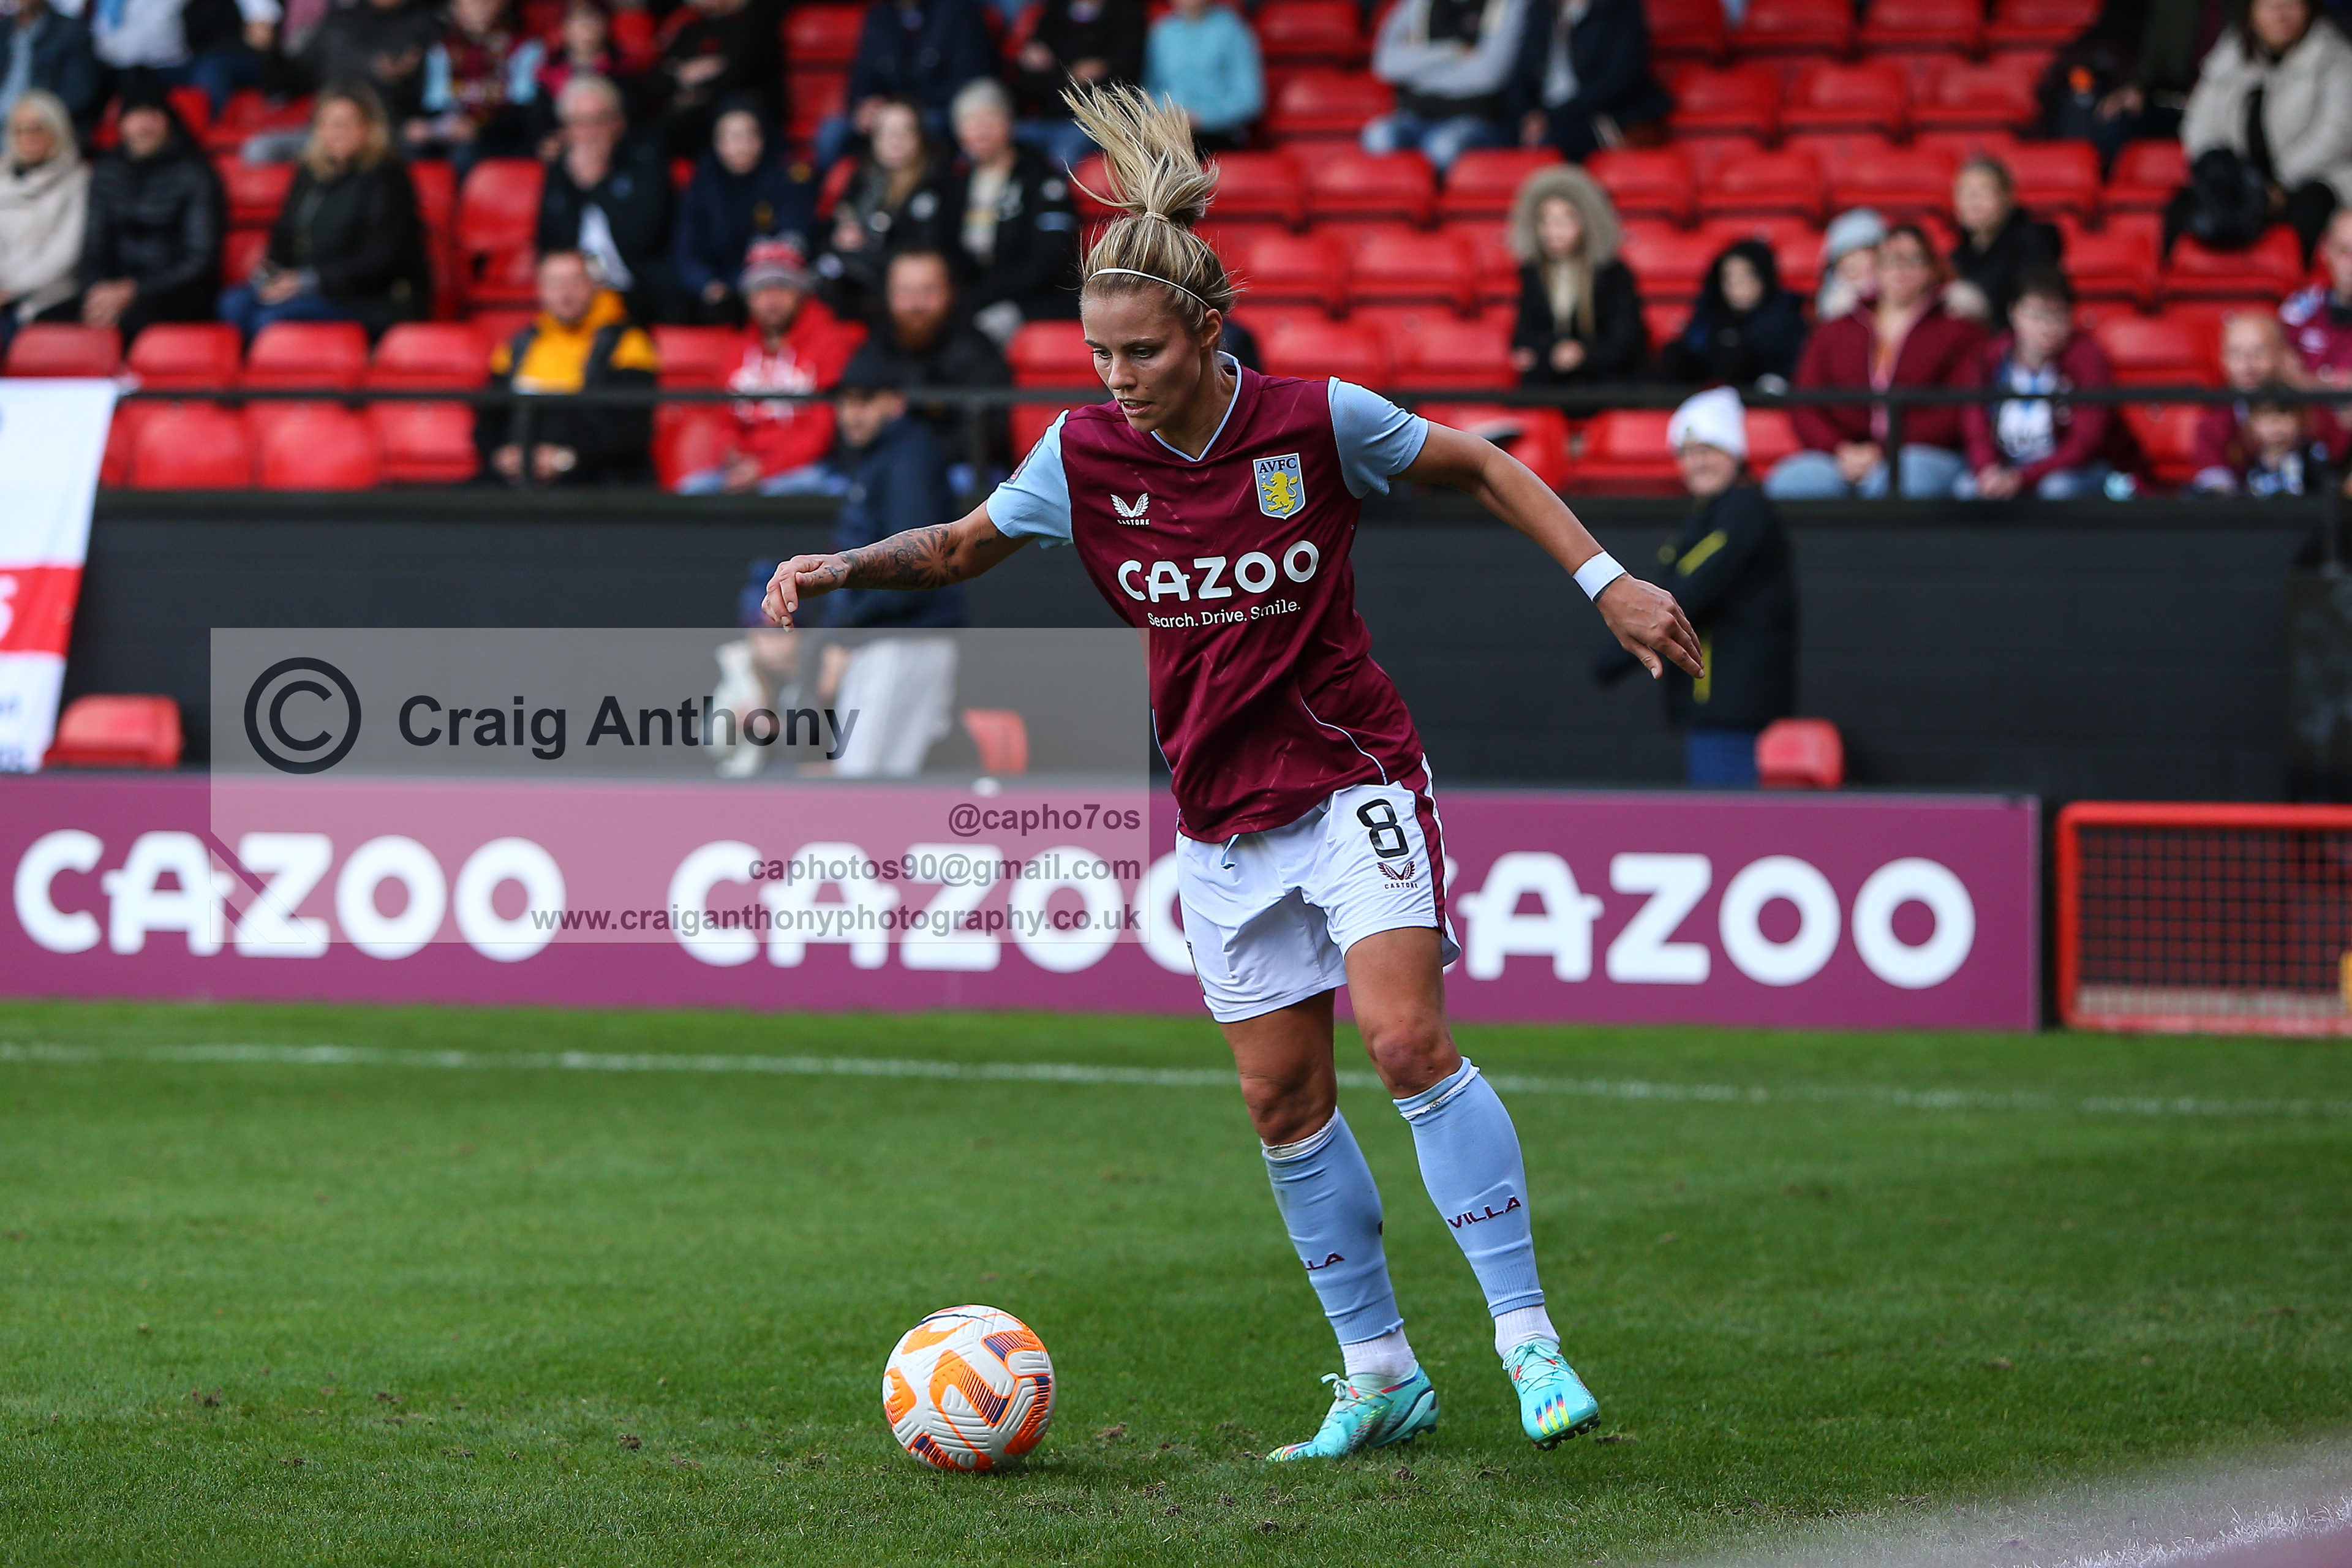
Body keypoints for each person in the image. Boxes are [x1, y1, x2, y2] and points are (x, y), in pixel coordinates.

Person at [760, 83, 1702, 1461]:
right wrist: (839, 565)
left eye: (1141, 351)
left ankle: (1528, 1341)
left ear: (1208, 332)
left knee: (1405, 1043)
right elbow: (960, 547)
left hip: (1351, 776)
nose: (1117, 376)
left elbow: (1483, 466)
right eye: (1099, 352)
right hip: (1216, 817)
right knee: (1282, 1102)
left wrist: (1605, 579)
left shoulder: (1318, 421)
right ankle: (1380, 1374)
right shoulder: (1081, 456)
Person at [1624, 387, 1795, 788]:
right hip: (1714, 705)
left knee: (1728, 817)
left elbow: (1693, 588)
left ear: (1735, 453)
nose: (1696, 462)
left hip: (1732, 707)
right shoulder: (1712, 514)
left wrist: (1620, 644)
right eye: (1686, 453)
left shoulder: (1744, 511)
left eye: (1708, 449)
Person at [1766, 224, 1986, 499]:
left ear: (1933, 268)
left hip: (1926, 452)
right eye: (1891, 260)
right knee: (1790, 482)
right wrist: (1840, 450)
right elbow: (1805, 402)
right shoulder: (1835, 329)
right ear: (1876, 268)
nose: (1901, 270)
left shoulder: (1961, 330)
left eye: (1914, 259)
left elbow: (1958, 409)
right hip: (1843, 455)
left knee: (1898, 480)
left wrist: (1883, 450)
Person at [219, 83, 429, 339]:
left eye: (343, 124)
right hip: (310, 288)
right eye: (325, 124)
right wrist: (272, 272)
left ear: (368, 128)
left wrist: (307, 282)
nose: (334, 133)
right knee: (233, 304)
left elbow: (380, 260)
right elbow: (285, 233)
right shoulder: (311, 173)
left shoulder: (387, 178)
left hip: (369, 299)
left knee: (271, 320)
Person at [674, 238, 865, 494]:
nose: (772, 299)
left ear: (801, 292)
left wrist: (765, 470)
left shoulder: (829, 342)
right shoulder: (739, 347)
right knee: (691, 490)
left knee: (778, 494)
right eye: (762, 288)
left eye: (783, 286)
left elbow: (823, 431)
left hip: (809, 467)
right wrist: (731, 454)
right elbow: (725, 420)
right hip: (747, 467)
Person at [2171, 0, 2352, 262]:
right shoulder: (2230, 52)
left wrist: (2279, 182)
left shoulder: (2336, 55)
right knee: (2185, 207)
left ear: (2309, 8)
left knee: (2311, 209)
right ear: (2251, 11)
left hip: (2309, 177)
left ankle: (2298, 286)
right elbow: (2199, 124)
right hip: (2242, 179)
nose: (2280, 13)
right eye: (2269, 5)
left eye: (2291, 4)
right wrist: (2223, 171)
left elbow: (2337, 134)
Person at [478, 247, 658, 484]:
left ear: (594, 285)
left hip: (598, 480)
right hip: (520, 479)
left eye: (575, 282)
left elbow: (631, 430)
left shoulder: (629, 344)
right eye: (554, 283)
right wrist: (500, 455)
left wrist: (566, 459)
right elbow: (487, 422)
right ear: (540, 289)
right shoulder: (515, 347)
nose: (565, 294)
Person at [62, 79, 220, 342]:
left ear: (169, 121)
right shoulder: (106, 171)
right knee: (46, 324)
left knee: (125, 326)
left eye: (153, 115)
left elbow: (199, 260)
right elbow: (93, 247)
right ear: (122, 123)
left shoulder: (196, 174)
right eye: (136, 116)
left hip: (176, 296)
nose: (145, 126)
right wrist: (99, 291)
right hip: (110, 291)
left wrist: (133, 290)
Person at [1958, 267, 2130, 499]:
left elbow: (2085, 443)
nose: (2047, 327)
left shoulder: (2087, 359)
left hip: (2076, 469)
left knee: (2057, 489)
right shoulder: (1988, 358)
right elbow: (1974, 423)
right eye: (2037, 316)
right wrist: (1987, 468)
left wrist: (2023, 477)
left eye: (2058, 316)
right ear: (2014, 313)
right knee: (1967, 488)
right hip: (2006, 466)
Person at [940, 78, 1079, 348]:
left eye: (990, 119)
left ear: (1009, 123)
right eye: (970, 122)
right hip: (970, 296)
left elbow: (1049, 261)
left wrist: (980, 295)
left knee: (978, 333)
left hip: (1029, 299)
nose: (981, 130)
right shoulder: (951, 182)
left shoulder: (1041, 178)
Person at [535, 73, 672, 323]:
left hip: (638, 291)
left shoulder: (644, 161)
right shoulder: (560, 170)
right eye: (578, 123)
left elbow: (644, 240)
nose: (589, 133)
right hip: (579, 293)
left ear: (618, 122)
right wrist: (578, 186)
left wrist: (599, 185)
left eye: (598, 121)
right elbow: (552, 242)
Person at [863, 244, 1009, 470]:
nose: (916, 304)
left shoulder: (977, 353)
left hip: (960, 472)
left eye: (928, 290)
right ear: (888, 295)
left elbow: (986, 439)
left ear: (951, 292)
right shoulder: (875, 349)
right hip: (884, 467)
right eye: (905, 291)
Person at [672, 103, 817, 324]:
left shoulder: (787, 178)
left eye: (750, 135)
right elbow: (686, 250)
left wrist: (740, 284)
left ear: (763, 138)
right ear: (717, 143)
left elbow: (790, 242)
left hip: (769, 284)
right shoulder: (702, 186)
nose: (741, 145)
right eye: (732, 137)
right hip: (717, 288)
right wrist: (707, 284)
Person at [2038, 0, 2224, 165]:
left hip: (2223, 103)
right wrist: (2136, 85)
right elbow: (2138, 47)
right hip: (2165, 98)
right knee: (2108, 119)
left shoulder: (2237, 10)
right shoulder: (2166, 7)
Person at [812, 96, 946, 323]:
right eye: (885, 132)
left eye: (904, 131)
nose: (895, 140)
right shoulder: (863, 178)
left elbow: (923, 251)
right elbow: (826, 232)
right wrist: (840, 236)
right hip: (856, 277)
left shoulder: (936, 184)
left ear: (920, 137)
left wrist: (860, 252)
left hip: (902, 288)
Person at [1507, 164, 1642, 387]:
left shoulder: (1612, 273)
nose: (1554, 231)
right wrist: (1550, 352)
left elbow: (1625, 339)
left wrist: (1583, 354)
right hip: (1551, 382)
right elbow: (1523, 337)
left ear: (1586, 222)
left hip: (1604, 382)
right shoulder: (1533, 273)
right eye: (1545, 221)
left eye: (1564, 221)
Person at [1362, 0, 1532, 175]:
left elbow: (1489, 75)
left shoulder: (1506, 4)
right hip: (1416, 115)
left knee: (1443, 146)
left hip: (1477, 118)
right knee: (1379, 136)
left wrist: (1418, 70)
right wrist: (1454, 52)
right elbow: (1385, 65)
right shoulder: (1419, 4)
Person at [824, 0, 996, 170]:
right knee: (833, 134)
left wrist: (908, 109)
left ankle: (928, 184)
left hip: (940, 110)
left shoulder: (958, 11)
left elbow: (971, 82)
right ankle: (848, 185)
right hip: (891, 111)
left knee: (928, 125)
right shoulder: (879, 16)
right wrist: (867, 105)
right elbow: (861, 80)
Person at [2187, 310, 2343, 489]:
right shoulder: (2213, 425)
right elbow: (2216, 491)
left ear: (2282, 355)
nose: (2246, 365)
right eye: (2236, 354)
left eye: (2258, 352)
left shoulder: (2315, 415)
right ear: (2223, 359)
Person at [1504, 0, 1670, 162]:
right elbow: (1520, 75)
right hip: (1547, 116)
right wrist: (1528, 115)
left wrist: (1550, 117)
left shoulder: (1619, 7)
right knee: (1496, 138)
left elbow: (1618, 81)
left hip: (1603, 116)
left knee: (1552, 144)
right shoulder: (1541, 8)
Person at [55, 0, 281, 117]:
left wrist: (261, 16)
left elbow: (259, 9)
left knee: (214, 74)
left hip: (172, 66)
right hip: (107, 66)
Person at [406, 0, 545, 172]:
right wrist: (429, 128)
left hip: (502, 137)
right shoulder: (442, 48)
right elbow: (435, 104)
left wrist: (478, 129)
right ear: (455, 7)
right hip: (452, 132)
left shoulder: (525, 47)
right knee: (412, 146)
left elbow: (526, 110)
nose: (478, 7)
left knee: (466, 154)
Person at [0, 89, 85, 354]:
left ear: (57, 131)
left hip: (47, 298)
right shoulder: (2, 179)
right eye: (19, 130)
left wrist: (11, 290)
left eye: (37, 129)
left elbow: (66, 252)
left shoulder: (79, 180)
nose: (28, 137)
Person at [1656, 238, 1806, 387]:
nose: (1736, 284)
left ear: (1765, 276)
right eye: (1728, 276)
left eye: (1747, 275)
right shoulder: (1708, 315)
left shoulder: (1786, 320)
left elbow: (1788, 370)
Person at [1011, 0, 1143, 170]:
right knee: (1006, 140)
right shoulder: (1053, 14)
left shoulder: (1126, 15)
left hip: (1096, 120)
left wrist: (1055, 70)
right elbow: (1028, 80)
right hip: (1045, 117)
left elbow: (1121, 80)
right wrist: (1071, 75)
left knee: (1063, 156)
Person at [648, 0, 780, 158]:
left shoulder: (755, 22)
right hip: (689, 121)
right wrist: (683, 74)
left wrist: (687, 84)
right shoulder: (691, 29)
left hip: (735, 110)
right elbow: (654, 84)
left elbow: (735, 74)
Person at [1946, 155, 2064, 325]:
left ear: (2008, 197)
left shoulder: (2035, 240)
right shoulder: (1958, 255)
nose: (1972, 202)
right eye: (1964, 193)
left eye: (1983, 192)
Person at [1141, 0, 1261, 153]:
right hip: (1169, 131)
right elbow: (1149, 90)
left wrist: (1203, 118)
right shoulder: (1162, 31)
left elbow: (1249, 100)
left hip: (1217, 133)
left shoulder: (1233, 30)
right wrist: (1167, 116)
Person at [296, 0, 440, 123]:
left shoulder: (427, 26)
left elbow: (438, 97)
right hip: (329, 126)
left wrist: (403, 81)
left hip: (393, 126)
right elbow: (297, 76)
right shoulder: (337, 22)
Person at [531, 0, 627, 149]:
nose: (586, 27)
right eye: (579, 20)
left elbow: (629, 123)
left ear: (606, 26)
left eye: (593, 20)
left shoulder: (623, 70)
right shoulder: (548, 73)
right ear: (565, 27)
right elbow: (537, 126)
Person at [0, 0, 100, 132]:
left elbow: (78, 93)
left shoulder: (71, 32)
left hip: (41, 127)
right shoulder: (4, 30)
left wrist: (34, 120)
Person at [2281, 206, 2352, 382]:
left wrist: (2313, 383)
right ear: (2326, 250)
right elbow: (2287, 377)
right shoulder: (2299, 310)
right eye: (2344, 251)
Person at [1814, 207, 1883, 322]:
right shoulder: (1832, 300)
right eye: (1847, 256)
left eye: (1860, 254)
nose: (1852, 263)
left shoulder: (1889, 295)